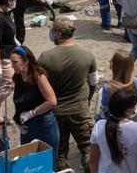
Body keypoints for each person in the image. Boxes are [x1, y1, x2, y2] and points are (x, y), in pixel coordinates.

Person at [40, 18, 97, 171]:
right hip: (80, 111)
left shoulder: (45, 57)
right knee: (87, 148)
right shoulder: (87, 54)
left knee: (59, 151)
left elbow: (38, 86)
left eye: (53, 31)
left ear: (58, 34)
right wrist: (87, 99)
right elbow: (93, 82)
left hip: (56, 113)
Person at [90, 86, 137, 173]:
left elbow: (93, 161)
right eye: (135, 106)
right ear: (127, 111)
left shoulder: (99, 126)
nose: (136, 108)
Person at [10, 45, 60, 150]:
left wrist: (32, 113)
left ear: (26, 61)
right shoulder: (18, 78)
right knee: (28, 157)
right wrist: (17, 120)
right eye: (11, 62)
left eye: (15, 62)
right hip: (27, 126)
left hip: (44, 125)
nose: (12, 66)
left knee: (47, 158)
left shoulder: (39, 77)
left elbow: (52, 101)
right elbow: (19, 101)